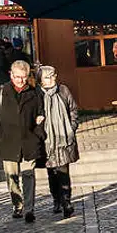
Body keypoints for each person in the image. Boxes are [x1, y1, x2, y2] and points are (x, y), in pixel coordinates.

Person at [0, 60, 46, 222]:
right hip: (8, 142)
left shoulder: (34, 93)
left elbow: (41, 116)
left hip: (29, 141)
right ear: (11, 75)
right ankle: (17, 205)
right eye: (17, 77)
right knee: (12, 177)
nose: (20, 80)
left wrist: (38, 133)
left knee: (29, 175)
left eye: (24, 77)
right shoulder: (0, 92)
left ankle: (29, 208)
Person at [37, 65, 80, 218]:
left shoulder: (63, 90)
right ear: (41, 81)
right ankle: (56, 199)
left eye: (53, 75)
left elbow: (73, 109)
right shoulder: (37, 95)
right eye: (47, 77)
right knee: (52, 173)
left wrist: (71, 127)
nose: (52, 79)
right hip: (47, 140)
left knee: (63, 172)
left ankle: (67, 202)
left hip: (63, 138)